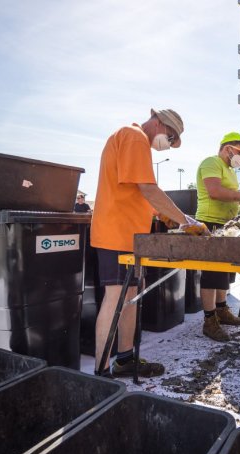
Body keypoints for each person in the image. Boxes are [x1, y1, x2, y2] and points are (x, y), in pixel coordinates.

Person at [90, 108, 208, 378]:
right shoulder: (134, 137)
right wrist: (184, 221)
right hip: (115, 233)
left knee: (129, 297)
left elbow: (137, 192)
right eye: (170, 136)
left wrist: (167, 215)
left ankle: (125, 359)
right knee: (116, 297)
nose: (168, 142)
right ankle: (101, 371)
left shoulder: (135, 141)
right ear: (158, 122)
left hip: (129, 235)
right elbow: (148, 188)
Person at [195, 132, 240, 341]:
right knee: (211, 272)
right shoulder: (211, 163)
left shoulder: (230, 170)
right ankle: (209, 319)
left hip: (226, 225)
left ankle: (222, 309)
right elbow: (215, 192)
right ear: (228, 149)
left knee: (224, 273)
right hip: (210, 224)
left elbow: (231, 196)